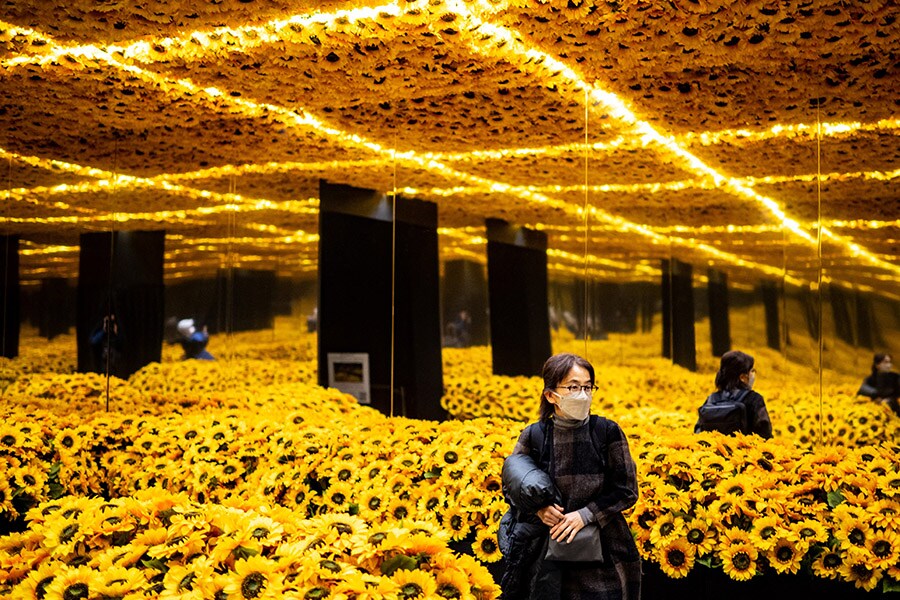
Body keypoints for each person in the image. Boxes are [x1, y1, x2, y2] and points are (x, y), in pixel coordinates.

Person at [499, 353, 641, 600]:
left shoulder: (606, 432)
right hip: (547, 557)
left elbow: (626, 490)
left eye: (587, 387)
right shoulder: (534, 436)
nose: (582, 394)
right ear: (551, 395)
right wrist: (539, 510)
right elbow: (513, 488)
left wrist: (586, 515)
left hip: (603, 552)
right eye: (573, 387)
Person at [694, 350, 772, 438]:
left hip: (711, 450)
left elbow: (698, 431)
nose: (753, 374)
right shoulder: (754, 399)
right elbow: (765, 433)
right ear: (742, 377)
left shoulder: (712, 399)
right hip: (745, 450)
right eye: (752, 371)